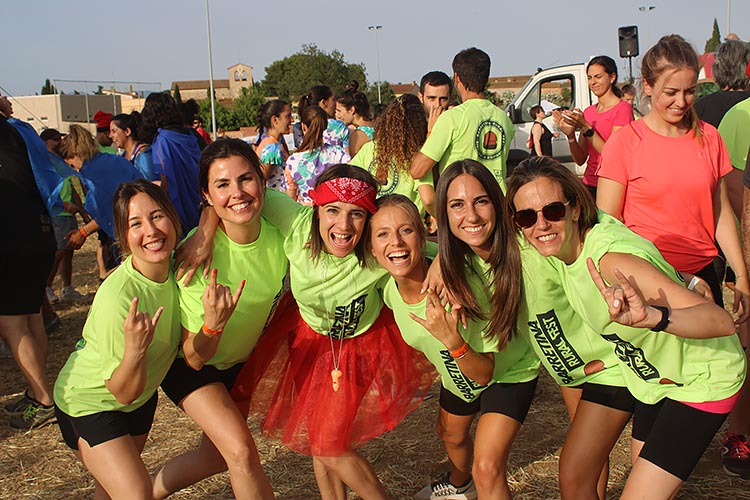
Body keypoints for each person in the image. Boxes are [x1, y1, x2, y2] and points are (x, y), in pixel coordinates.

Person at [507, 156, 746, 499]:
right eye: (527, 217)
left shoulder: (609, 261)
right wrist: (684, 278)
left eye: (553, 211)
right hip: (655, 376)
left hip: (703, 378)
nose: (541, 224)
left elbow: (720, 322)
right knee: (637, 471)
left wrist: (655, 317)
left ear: (574, 209)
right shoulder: (563, 246)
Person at [369, 189, 538, 500]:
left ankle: (474, 481)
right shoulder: (387, 288)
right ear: (372, 248)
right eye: (383, 234)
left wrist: (452, 339)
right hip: (458, 376)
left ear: (423, 235)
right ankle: (460, 484)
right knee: (450, 434)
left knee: (486, 469)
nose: (396, 242)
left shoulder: (459, 289)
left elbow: (483, 374)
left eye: (406, 230)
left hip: (506, 371)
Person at [152, 140, 282, 500]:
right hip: (191, 364)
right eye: (222, 184)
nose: (237, 192)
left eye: (245, 179)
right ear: (206, 195)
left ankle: (140, 493)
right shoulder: (195, 258)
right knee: (241, 452)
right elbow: (194, 357)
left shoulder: (280, 236)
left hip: (240, 365)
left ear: (262, 180)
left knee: (214, 458)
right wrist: (214, 323)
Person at [53, 179, 182, 500]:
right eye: (136, 224)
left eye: (157, 216)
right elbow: (121, 392)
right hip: (90, 402)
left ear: (172, 217)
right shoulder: (119, 295)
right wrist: (135, 350)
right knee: (136, 492)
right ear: (124, 236)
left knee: (111, 492)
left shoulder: (180, 268)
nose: (151, 231)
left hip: (141, 399)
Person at [0, 93, 57, 429]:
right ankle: (37, 391)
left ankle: (44, 399)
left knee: (10, 324)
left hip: (12, 238)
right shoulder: (19, 130)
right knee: (32, 316)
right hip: (39, 231)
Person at [411, 48, 514, 191]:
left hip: (463, 197)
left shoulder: (452, 118)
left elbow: (417, 170)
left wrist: (430, 133)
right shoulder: (504, 118)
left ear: (457, 78)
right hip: (497, 197)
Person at [59, 125, 144, 270]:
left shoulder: (91, 175)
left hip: (130, 235)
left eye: (72, 165)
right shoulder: (115, 160)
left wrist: (83, 232)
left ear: (74, 153)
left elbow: (108, 211)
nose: (75, 169)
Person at [552, 55, 633, 199]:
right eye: (589, 78)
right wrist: (570, 136)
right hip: (589, 183)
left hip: (612, 184)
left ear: (612, 77)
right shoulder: (589, 112)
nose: (593, 82)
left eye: (598, 77)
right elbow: (580, 159)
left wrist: (585, 127)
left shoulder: (622, 109)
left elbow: (613, 155)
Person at [351, 94, 435, 218]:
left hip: (374, 223)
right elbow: (428, 200)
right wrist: (440, 217)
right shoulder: (418, 155)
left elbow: (349, 180)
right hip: (408, 222)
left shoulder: (369, 148)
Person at [140, 92, 202, 233]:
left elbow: (166, 180)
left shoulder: (163, 140)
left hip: (180, 204)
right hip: (198, 198)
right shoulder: (191, 134)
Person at [40, 128, 85, 304]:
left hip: (69, 212)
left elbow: (71, 186)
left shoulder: (61, 161)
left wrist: (81, 209)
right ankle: (47, 287)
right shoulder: (44, 161)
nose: (59, 142)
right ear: (45, 142)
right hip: (57, 212)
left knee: (68, 252)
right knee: (58, 252)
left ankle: (67, 288)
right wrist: (61, 204)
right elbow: (45, 187)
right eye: (55, 139)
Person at [283, 105, 350, 204]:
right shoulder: (339, 154)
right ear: (325, 126)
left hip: (306, 211)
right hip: (333, 209)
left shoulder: (293, 161)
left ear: (303, 126)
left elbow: (290, 200)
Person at [255, 99, 292, 191]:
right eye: (288, 116)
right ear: (275, 120)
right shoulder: (273, 147)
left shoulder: (271, 143)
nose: (292, 120)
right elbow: (261, 179)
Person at [297, 85, 350, 150]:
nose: (336, 104)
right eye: (333, 100)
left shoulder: (300, 127)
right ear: (324, 102)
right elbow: (347, 153)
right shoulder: (340, 127)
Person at [110, 112, 158, 181]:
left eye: (114, 131)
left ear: (127, 131)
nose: (110, 135)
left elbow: (150, 183)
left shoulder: (144, 156)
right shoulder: (123, 156)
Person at [335, 81, 375, 157]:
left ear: (351, 110)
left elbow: (355, 163)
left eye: (339, 111)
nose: (338, 116)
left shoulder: (358, 135)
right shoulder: (375, 126)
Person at [418, 71, 453, 135]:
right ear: (421, 97)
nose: (437, 105)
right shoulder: (412, 127)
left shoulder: (456, 126)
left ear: (451, 98)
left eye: (443, 99)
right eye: (432, 98)